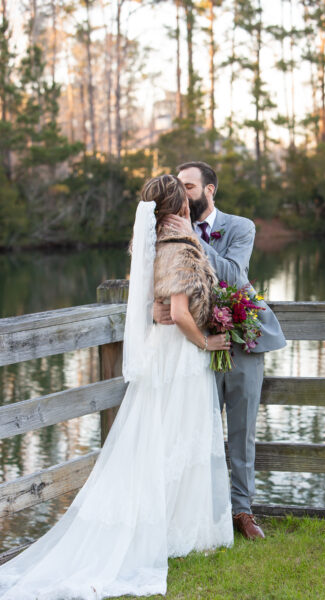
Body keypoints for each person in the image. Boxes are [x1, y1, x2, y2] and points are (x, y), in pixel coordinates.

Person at [0, 175, 233, 600]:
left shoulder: (153, 245)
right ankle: (175, 531)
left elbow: (157, 300)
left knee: (163, 439)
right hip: (181, 354)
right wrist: (208, 341)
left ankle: (168, 527)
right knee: (180, 439)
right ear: (180, 207)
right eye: (184, 199)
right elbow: (180, 312)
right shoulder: (178, 248)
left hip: (165, 352)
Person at [154, 161, 286, 540]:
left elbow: (233, 275)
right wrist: (157, 307)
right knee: (200, 429)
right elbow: (158, 281)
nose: (182, 193)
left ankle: (243, 511)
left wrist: (193, 240)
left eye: (190, 186)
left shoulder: (241, 227)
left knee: (241, 431)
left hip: (241, 340)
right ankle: (206, 512)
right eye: (178, 186)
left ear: (210, 190)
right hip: (195, 346)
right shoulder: (167, 232)